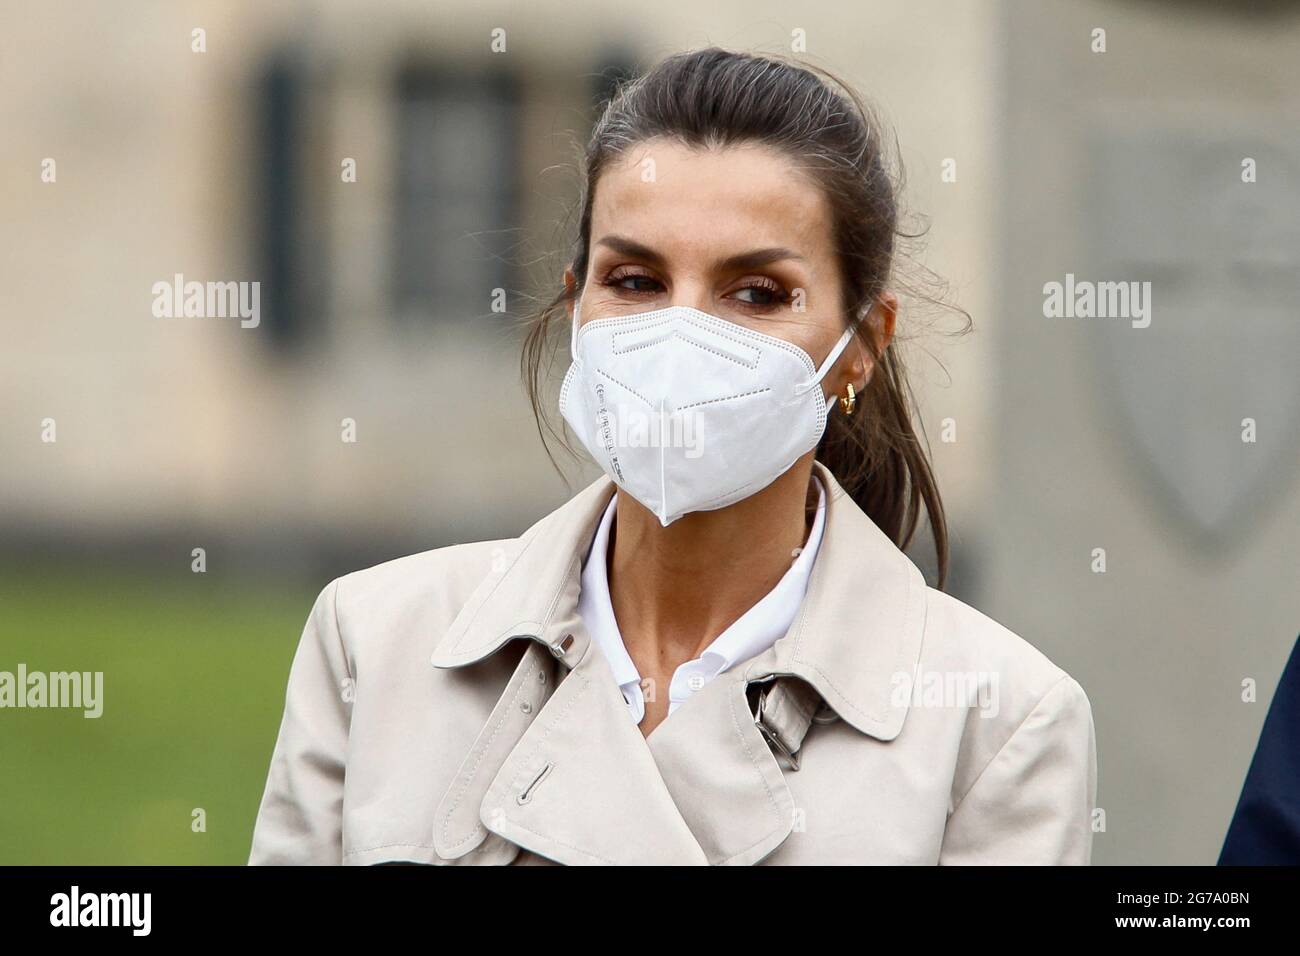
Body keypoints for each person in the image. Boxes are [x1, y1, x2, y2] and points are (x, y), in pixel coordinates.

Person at [248, 46, 1097, 865]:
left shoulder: (996, 722)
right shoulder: (375, 643)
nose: (682, 336)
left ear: (861, 346)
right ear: (577, 304)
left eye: (758, 293)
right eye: (636, 282)